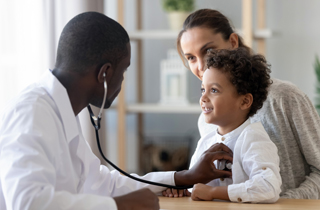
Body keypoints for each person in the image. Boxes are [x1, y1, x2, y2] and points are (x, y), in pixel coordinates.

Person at [0, 12, 234, 210]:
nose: (122, 83)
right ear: (105, 74)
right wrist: (119, 205)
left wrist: (185, 177)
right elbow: (27, 202)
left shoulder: (61, 112)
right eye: (123, 72)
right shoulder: (30, 112)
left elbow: (106, 183)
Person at [163, 8, 320, 199]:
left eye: (209, 50)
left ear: (233, 42)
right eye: (191, 58)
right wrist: (183, 188)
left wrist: (284, 202)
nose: (202, 65)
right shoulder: (207, 120)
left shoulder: (285, 97)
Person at [191, 48, 281, 203]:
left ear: (245, 101)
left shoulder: (254, 139)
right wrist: (179, 189)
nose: (203, 97)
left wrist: (214, 192)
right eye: (202, 90)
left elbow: (269, 188)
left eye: (214, 90)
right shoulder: (206, 142)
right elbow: (194, 186)